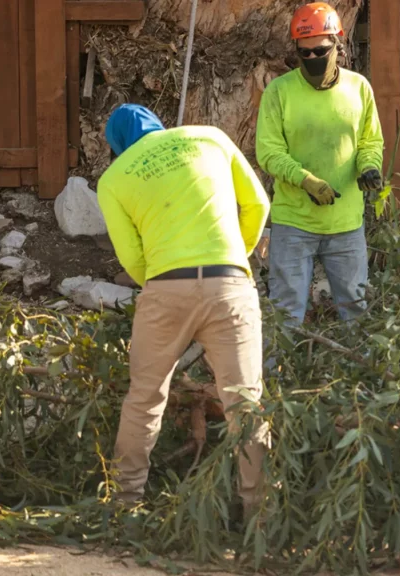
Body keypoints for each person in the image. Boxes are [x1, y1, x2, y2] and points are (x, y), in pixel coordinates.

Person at [98, 104, 272, 511]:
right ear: (161, 126)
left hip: (165, 288)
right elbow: (259, 204)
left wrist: (163, 286)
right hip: (230, 284)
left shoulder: (113, 179)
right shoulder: (211, 137)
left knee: (144, 400)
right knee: (245, 404)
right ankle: (261, 514)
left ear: (118, 146)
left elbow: (131, 257)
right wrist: (237, 257)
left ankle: (125, 506)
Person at [255, 2, 385, 326]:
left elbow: (370, 141)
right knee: (285, 313)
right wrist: (305, 180)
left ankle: (358, 361)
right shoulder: (279, 92)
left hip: (346, 224)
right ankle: (281, 362)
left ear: (337, 46)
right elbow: (269, 152)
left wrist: (369, 167)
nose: (313, 58)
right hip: (294, 222)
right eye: (305, 53)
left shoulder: (358, 88)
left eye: (321, 51)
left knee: (356, 310)